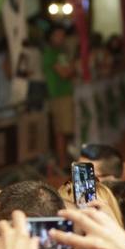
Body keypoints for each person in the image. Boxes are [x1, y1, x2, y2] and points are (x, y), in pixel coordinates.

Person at [42, 27, 76, 164]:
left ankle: (65, 158)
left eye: (63, 35)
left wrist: (70, 70)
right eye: (58, 34)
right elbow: (65, 73)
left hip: (67, 93)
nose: (61, 38)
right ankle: (62, 161)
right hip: (58, 95)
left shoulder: (63, 52)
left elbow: (71, 70)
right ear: (51, 36)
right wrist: (70, 70)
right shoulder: (49, 53)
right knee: (61, 130)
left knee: (67, 129)